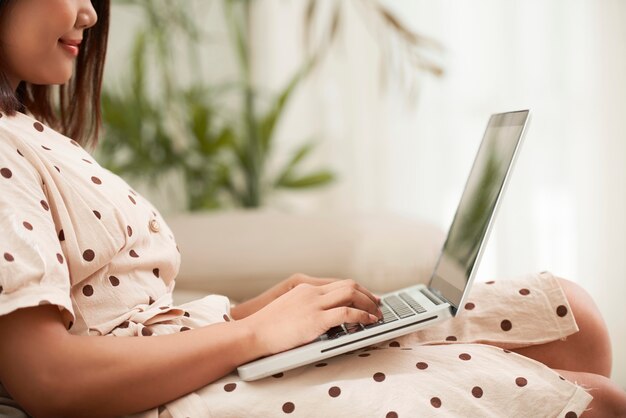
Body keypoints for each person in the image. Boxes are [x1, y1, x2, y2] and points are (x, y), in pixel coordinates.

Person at [0, 1, 625, 417]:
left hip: (183, 355)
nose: (88, 11)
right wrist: (252, 335)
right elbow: (48, 380)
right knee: (593, 400)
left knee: (572, 315)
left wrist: (257, 314)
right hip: (166, 402)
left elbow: (116, 313)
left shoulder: (27, 125)